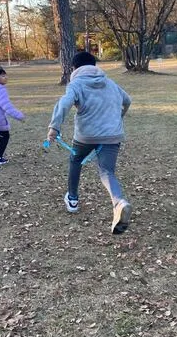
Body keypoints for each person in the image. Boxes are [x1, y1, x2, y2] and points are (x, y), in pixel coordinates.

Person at [46, 51, 133, 234]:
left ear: (74, 68)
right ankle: (119, 202)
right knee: (106, 171)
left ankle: (73, 199)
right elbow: (127, 100)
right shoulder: (110, 82)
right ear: (94, 65)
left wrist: (54, 127)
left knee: (76, 160)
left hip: (86, 136)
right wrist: (119, 116)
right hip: (112, 135)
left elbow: (64, 104)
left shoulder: (76, 84)